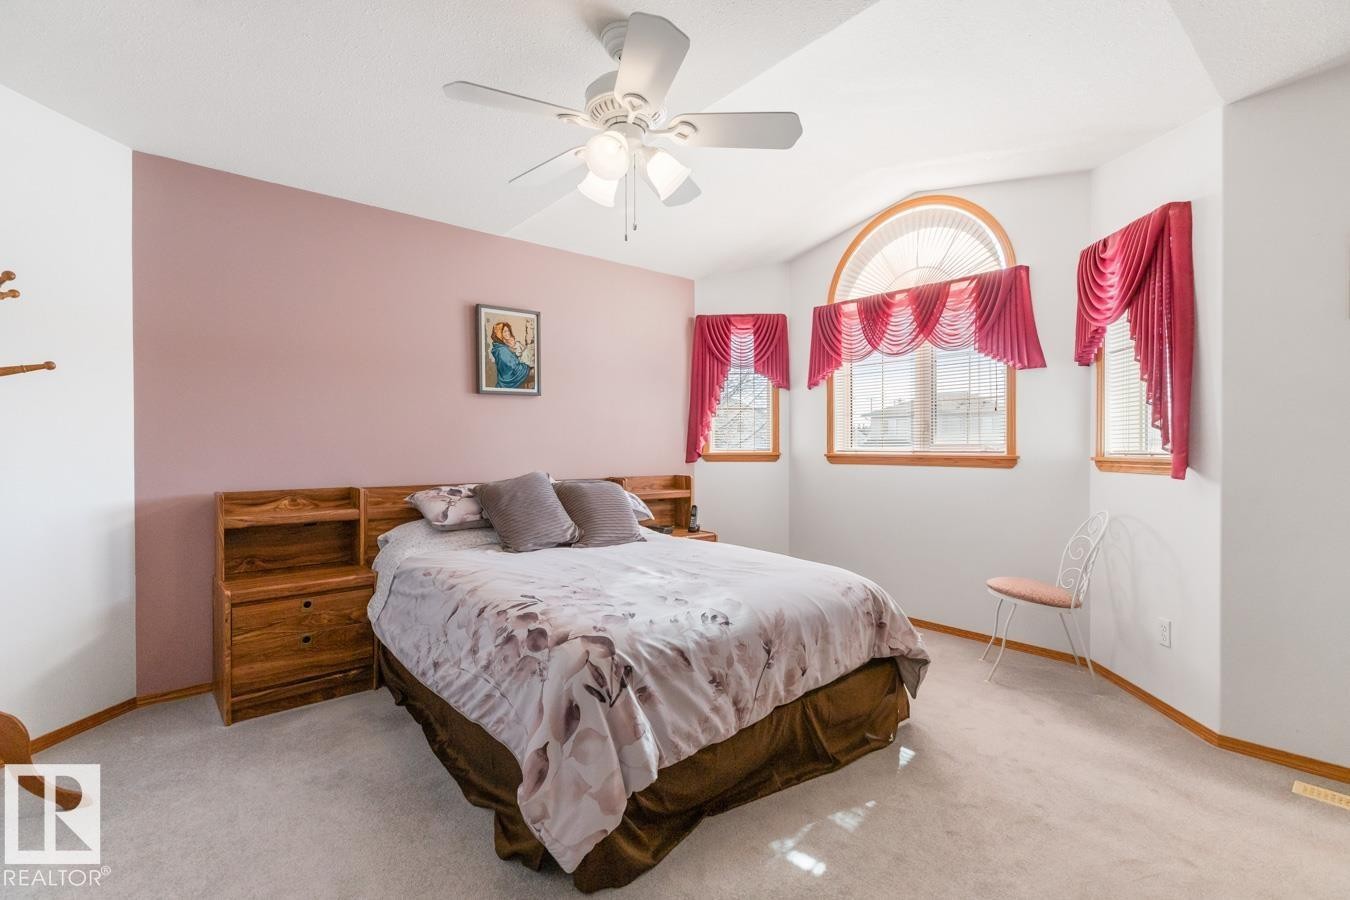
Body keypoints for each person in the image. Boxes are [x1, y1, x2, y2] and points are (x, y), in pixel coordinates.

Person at [489, 321, 533, 389]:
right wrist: (527, 367)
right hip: (509, 380)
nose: (508, 333)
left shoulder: (501, 347)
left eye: (508, 331)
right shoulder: (501, 350)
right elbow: (514, 367)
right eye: (505, 331)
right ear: (499, 334)